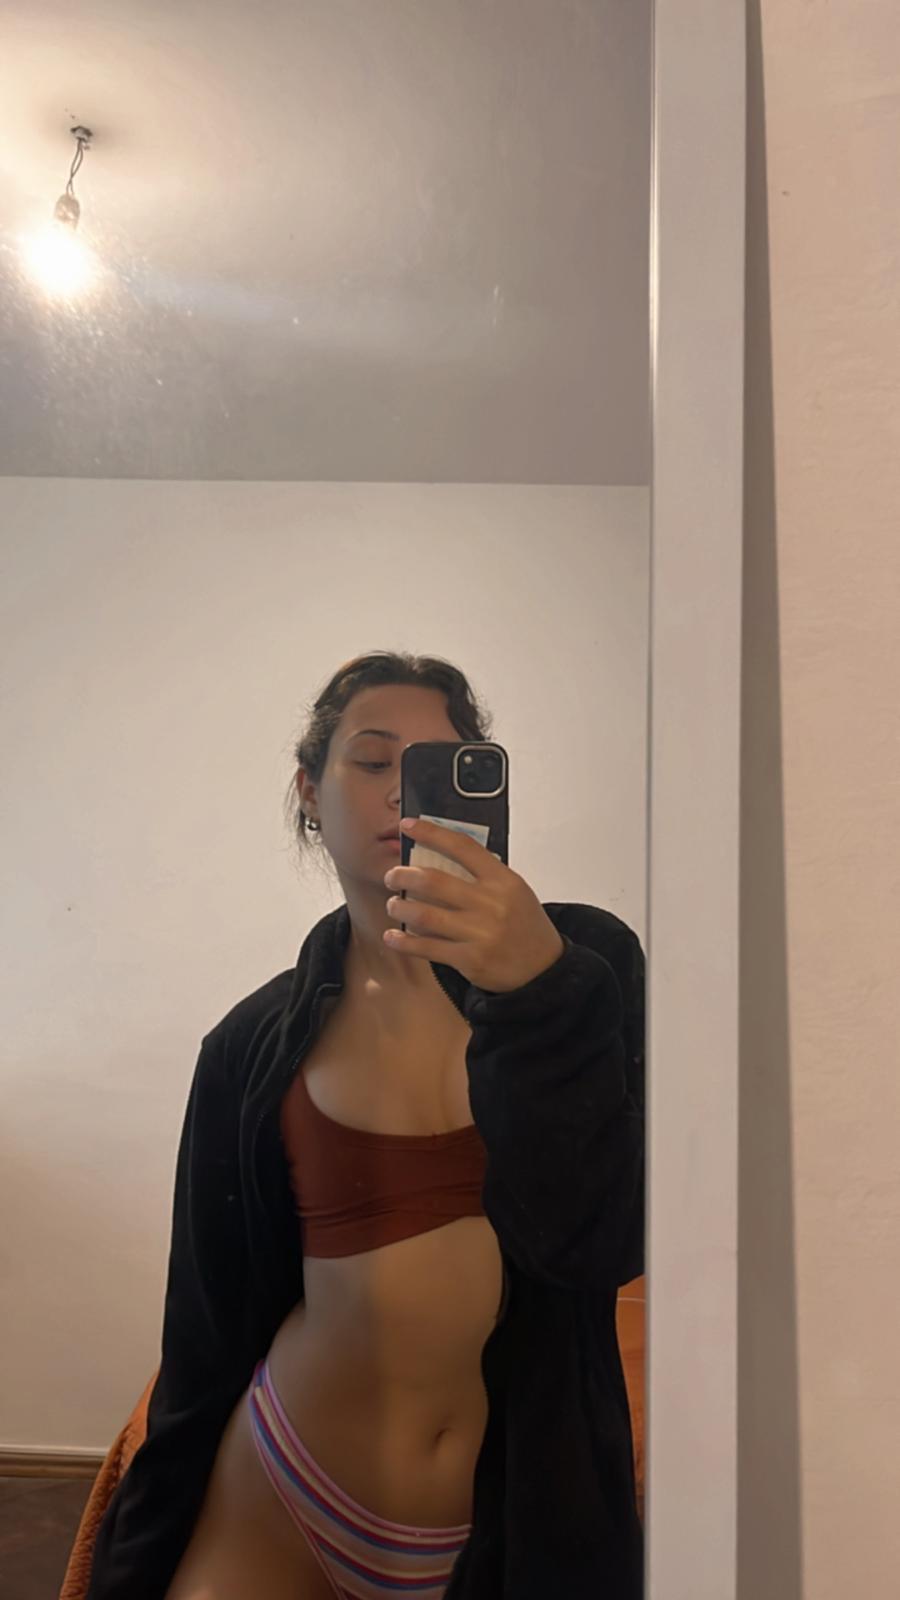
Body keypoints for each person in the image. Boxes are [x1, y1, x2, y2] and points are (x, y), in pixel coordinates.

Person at [85, 650, 645, 1600]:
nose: (400, 794)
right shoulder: (250, 1043)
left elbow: (600, 1239)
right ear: (311, 791)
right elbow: (207, 1329)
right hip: (281, 1492)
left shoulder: (582, 961)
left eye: (437, 767)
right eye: (373, 761)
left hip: (508, 1509)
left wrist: (538, 994)